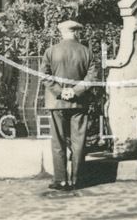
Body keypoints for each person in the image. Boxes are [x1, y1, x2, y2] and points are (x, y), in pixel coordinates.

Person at [41, 20, 97, 191]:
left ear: (62, 32)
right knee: (78, 142)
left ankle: (60, 180)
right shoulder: (86, 52)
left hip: (56, 102)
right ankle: (77, 179)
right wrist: (75, 91)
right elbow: (92, 78)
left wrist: (60, 91)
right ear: (77, 33)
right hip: (78, 103)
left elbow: (44, 75)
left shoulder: (51, 51)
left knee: (58, 141)